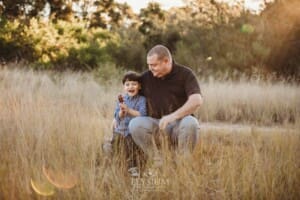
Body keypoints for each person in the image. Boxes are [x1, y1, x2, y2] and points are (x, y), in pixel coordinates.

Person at [128, 44, 203, 166]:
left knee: (191, 122)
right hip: (156, 125)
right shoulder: (146, 77)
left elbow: (197, 100)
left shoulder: (185, 74)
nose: (150, 68)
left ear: (166, 61)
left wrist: (173, 116)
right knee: (135, 124)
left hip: (179, 125)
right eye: (149, 65)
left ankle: (183, 163)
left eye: (154, 65)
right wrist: (117, 117)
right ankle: (157, 161)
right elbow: (129, 96)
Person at [104, 71, 147, 177]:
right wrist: (122, 113)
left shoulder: (142, 100)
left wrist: (128, 110)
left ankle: (134, 168)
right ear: (124, 87)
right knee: (116, 148)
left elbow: (142, 114)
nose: (130, 87)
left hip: (132, 132)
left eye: (134, 84)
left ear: (139, 86)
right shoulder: (122, 99)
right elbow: (117, 116)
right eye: (127, 84)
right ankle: (118, 166)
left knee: (132, 149)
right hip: (120, 131)